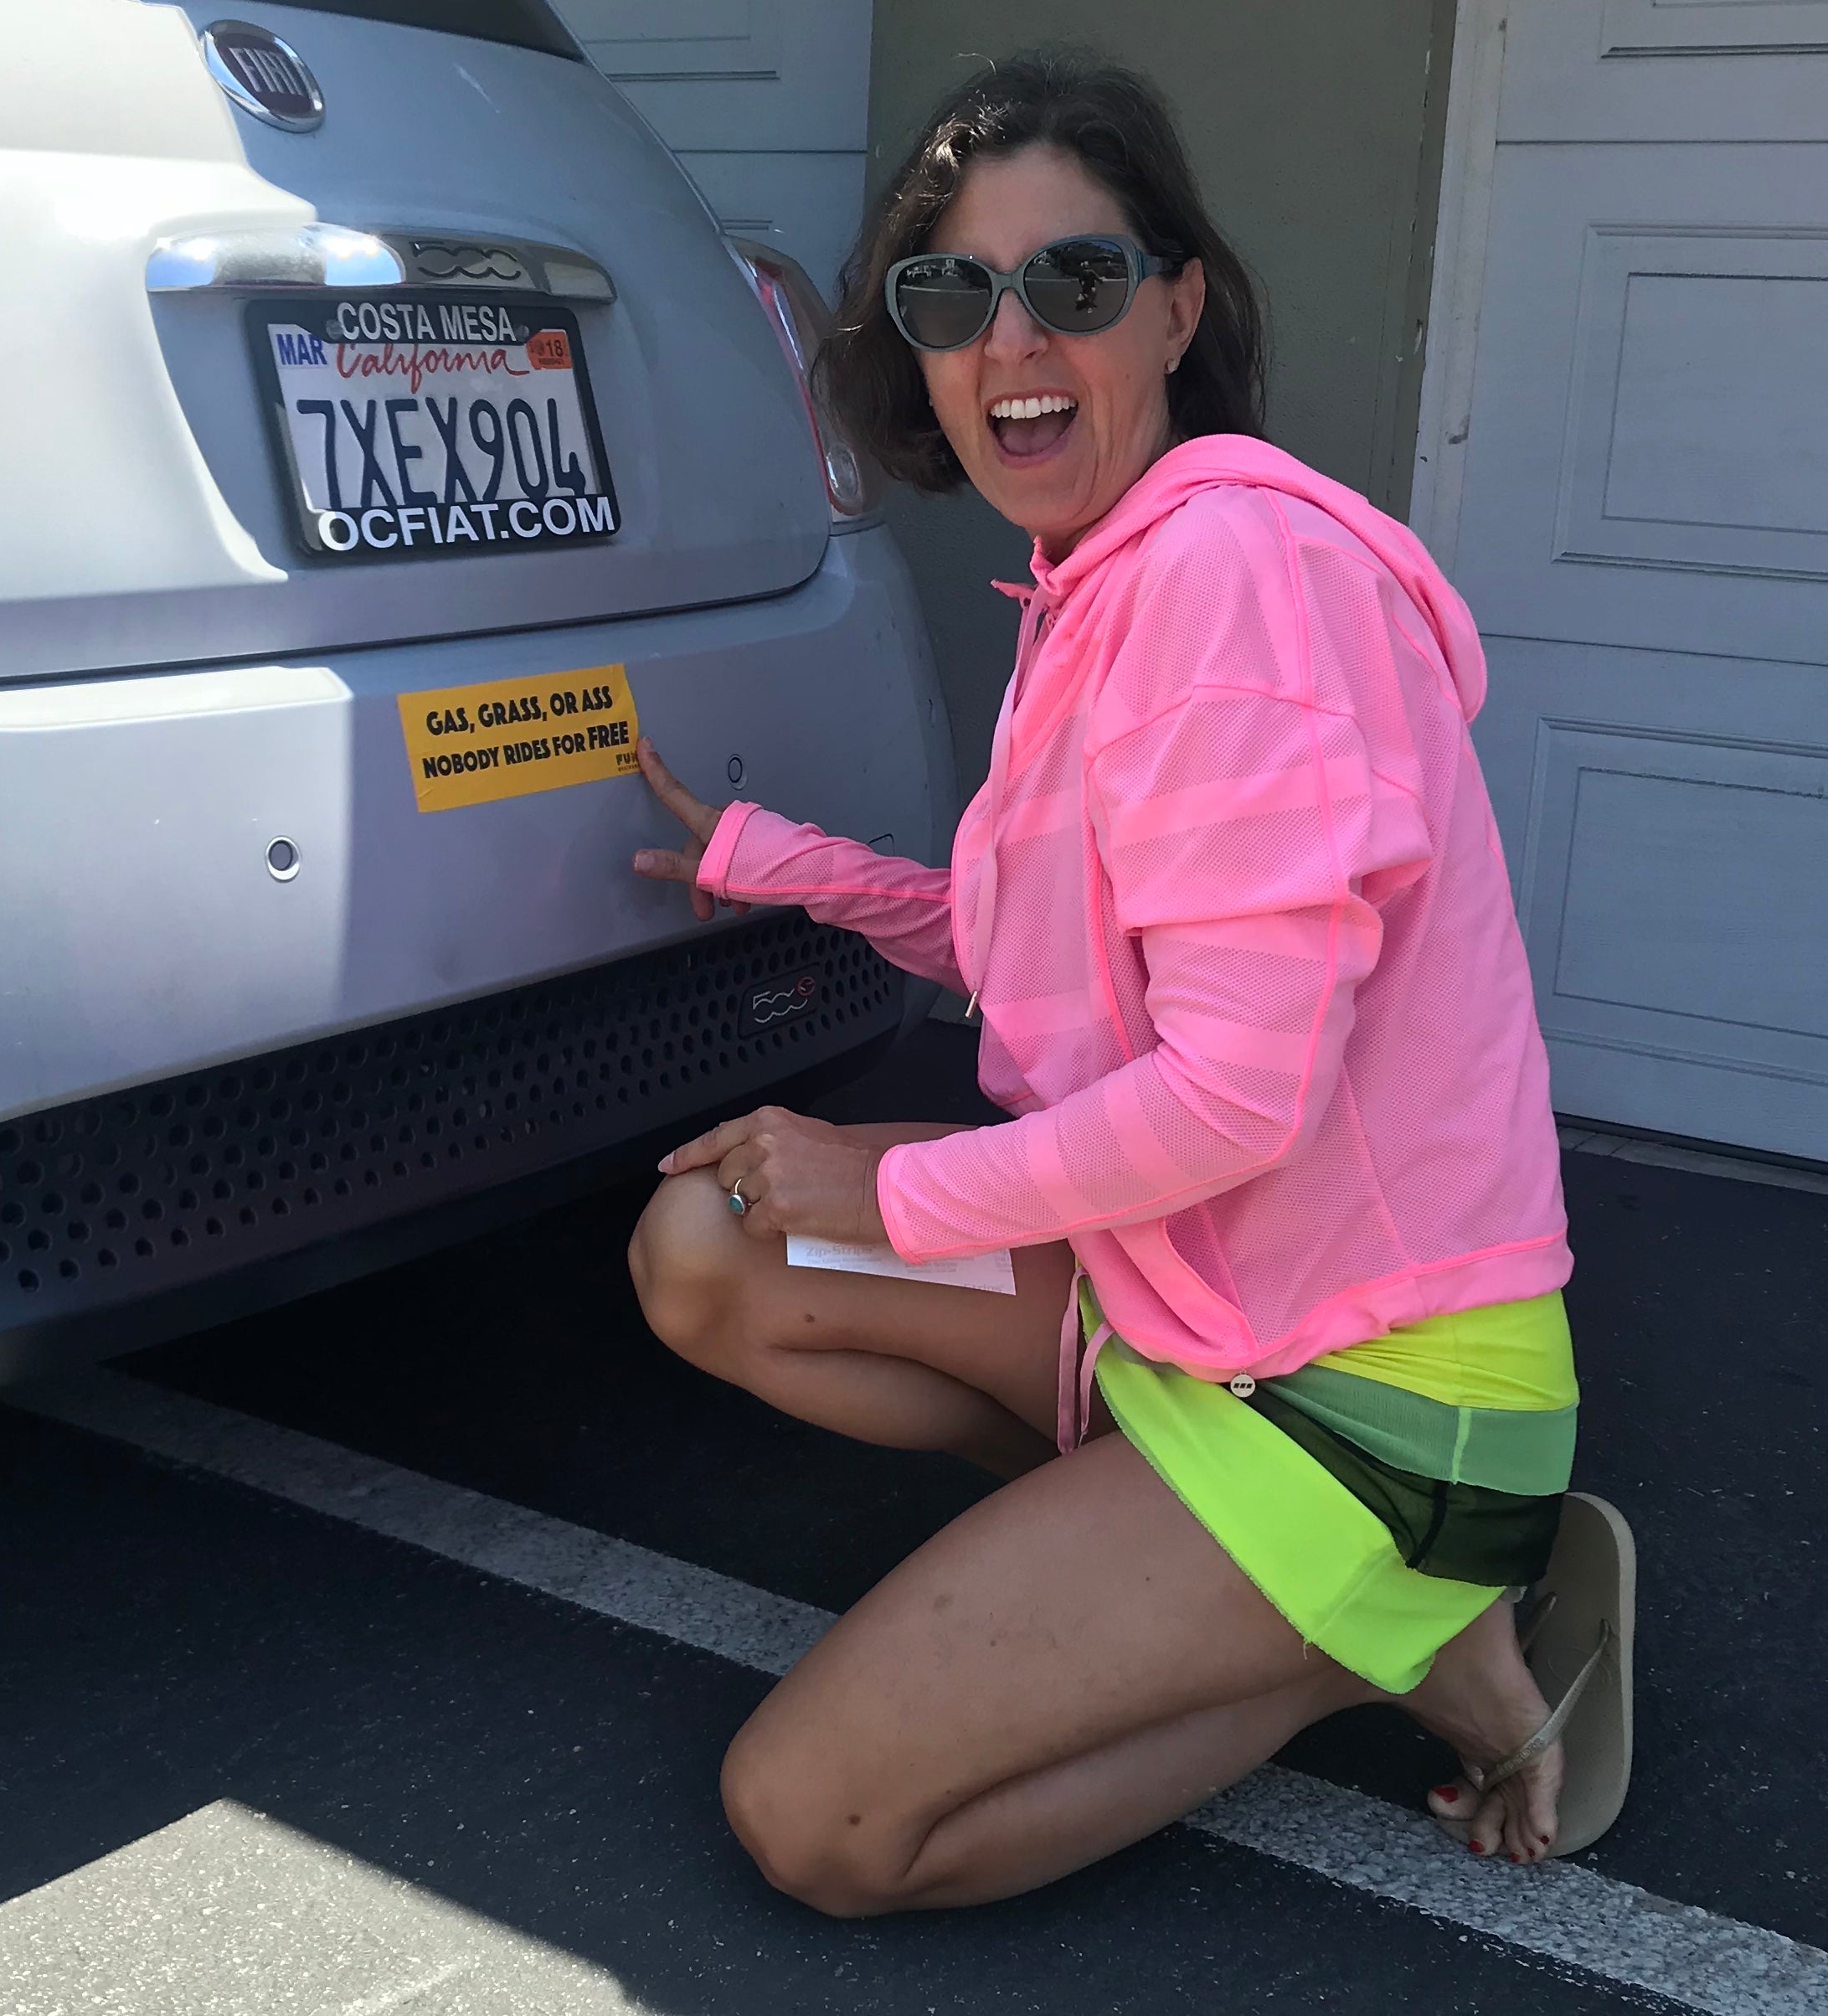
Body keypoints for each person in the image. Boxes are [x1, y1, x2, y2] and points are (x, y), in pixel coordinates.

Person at [626, 53, 1634, 1917]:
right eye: (952, 293)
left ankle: (1388, 1628)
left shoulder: (1225, 584)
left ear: (1177, 305)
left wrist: (891, 1189)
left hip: (1371, 1384)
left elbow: (1232, 1097)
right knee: (709, 1247)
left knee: (822, 1824)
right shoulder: (1097, 577)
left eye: (1073, 281)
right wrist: (767, 865)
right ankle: (1282, 1595)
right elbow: (1056, 947)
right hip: (1201, 1305)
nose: (1011, 334)